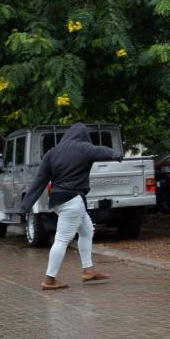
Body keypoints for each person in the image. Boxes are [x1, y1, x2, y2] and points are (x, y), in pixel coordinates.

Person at [20, 123, 122, 290]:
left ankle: (88, 270)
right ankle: (49, 280)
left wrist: (25, 205)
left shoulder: (52, 153)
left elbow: (40, 180)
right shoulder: (83, 147)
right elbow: (100, 150)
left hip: (59, 201)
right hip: (72, 201)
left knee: (87, 230)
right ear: (83, 136)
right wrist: (115, 154)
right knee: (61, 240)